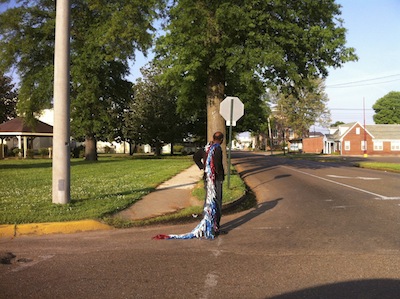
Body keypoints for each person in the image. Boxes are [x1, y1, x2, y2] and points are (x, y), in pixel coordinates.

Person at [193, 131, 225, 234]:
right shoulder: (218, 149)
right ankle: (215, 227)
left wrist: (203, 167)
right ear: (221, 140)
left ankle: (207, 225)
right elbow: (217, 164)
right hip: (215, 179)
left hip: (207, 178)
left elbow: (195, 157)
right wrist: (219, 174)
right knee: (217, 202)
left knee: (208, 201)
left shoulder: (206, 148)